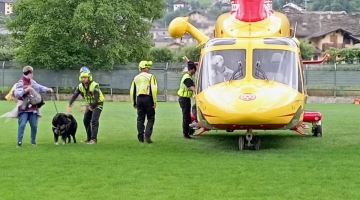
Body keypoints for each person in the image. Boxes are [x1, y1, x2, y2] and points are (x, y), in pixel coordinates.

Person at [13, 66, 53, 147]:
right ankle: (19, 142)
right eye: (32, 73)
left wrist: (47, 89)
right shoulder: (20, 82)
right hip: (24, 107)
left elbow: (39, 87)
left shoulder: (32, 82)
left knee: (34, 125)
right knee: (22, 124)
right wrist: (25, 90)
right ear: (29, 73)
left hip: (33, 108)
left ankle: (33, 142)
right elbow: (17, 93)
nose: (32, 74)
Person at [66, 66, 105, 144]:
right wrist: (69, 105)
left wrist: (89, 107)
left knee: (94, 120)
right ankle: (89, 138)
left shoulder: (95, 85)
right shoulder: (80, 86)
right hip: (90, 104)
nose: (83, 79)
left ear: (89, 77)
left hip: (98, 104)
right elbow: (74, 95)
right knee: (86, 120)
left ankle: (94, 139)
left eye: (85, 77)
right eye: (82, 77)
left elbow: (96, 99)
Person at [130, 61, 158, 143]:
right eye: (148, 67)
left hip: (139, 99)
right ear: (144, 68)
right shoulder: (151, 76)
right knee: (151, 118)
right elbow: (154, 89)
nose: (149, 69)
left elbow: (132, 91)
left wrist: (134, 102)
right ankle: (147, 136)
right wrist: (154, 101)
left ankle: (140, 138)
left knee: (140, 119)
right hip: (148, 98)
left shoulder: (136, 78)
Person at [177, 61, 197, 139]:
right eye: (194, 70)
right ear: (192, 69)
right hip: (184, 99)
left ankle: (188, 132)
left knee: (187, 116)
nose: (195, 72)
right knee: (186, 117)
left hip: (185, 99)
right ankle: (186, 134)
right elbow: (192, 88)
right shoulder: (187, 78)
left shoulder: (188, 76)